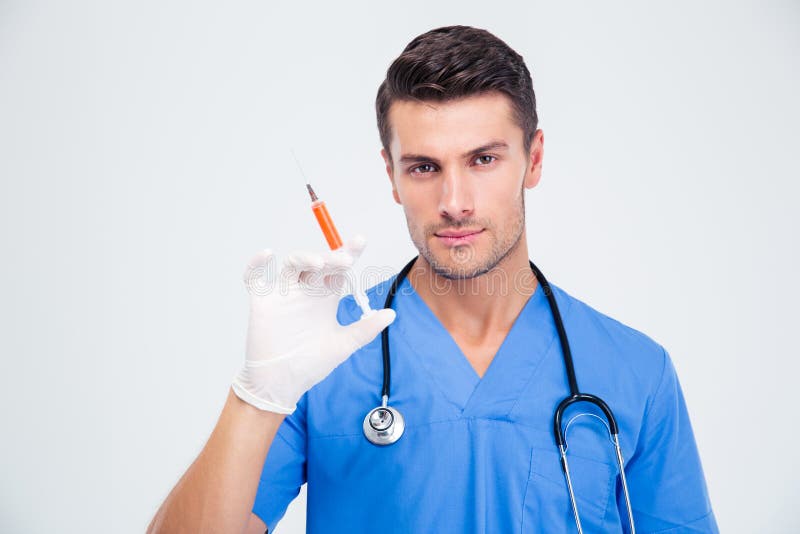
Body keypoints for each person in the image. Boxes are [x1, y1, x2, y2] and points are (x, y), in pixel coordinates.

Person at [147, 25, 717, 533]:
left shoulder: (636, 372)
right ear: (392, 176)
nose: (454, 202)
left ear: (534, 159)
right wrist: (256, 399)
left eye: (483, 160)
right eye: (424, 167)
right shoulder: (325, 354)